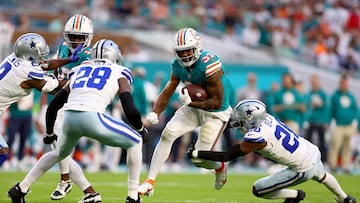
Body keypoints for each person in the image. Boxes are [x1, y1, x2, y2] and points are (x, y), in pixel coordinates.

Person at [8, 39, 148, 203]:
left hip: (68, 117)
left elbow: (54, 105)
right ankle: (133, 196)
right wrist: (140, 128)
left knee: (59, 153)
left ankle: (20, 189)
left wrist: (50, 132)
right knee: (135, 141)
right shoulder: (120, 71)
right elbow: (129, 107)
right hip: (92, 117)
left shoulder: (80, 69)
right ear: (116, 56)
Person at [187, 99, 357, 203]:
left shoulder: (257, 137)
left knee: (258, 189)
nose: (238, 124)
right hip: (311, 150)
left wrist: (197, 153)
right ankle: (344, 198)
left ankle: (295, 195)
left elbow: (227, 155)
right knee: (322, 175)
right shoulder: (267, 118)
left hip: (302, 167)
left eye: (242, 120)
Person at [138, 27, 232, 196]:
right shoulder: (177, 65)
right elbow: (168, 90)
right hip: (193, 106)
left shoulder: (210, 66)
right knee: (168, 133)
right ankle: (150, 181)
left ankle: (220, 166)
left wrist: (193, 102)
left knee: (199, 159)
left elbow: (216, 102)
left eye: (188, 50)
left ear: (197, 47)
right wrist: (156, 112)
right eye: (181, 52)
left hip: (216, 112)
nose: (185, 55)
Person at [0, 32, 80, 168]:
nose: (42, 57)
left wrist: (69, 60)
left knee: (3, 151)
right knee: (2, 152)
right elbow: (53, 87)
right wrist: (78, 79)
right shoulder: (27, 72)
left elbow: (45, 64)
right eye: (40, 54)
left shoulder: (13, 58)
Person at [42, 14, 95, 201]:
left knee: (59, 142)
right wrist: (52, 79)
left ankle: (68, 181)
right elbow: (56, 71)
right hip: (62, 102)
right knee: (58, 143)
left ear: (88, 37)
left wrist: (56, 83)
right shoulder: (64, 48)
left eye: (80, 37)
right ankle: (76, 185)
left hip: (78, 102)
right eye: (73, 36)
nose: (76, 41)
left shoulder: (89, 55)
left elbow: (75, 83)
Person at [328, 73, 357, 174]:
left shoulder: (351, 96)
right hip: (338, 124)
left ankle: (346, 165)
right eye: (343, 83)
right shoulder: (335, 96)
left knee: (347, 146)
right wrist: (329, 122)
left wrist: (355, 123)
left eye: (346, 83)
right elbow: (331, 110)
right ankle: (333, 165)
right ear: (340, 83)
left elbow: (355, 110)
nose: (344, 84)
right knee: (335, 144)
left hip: (349, 125)